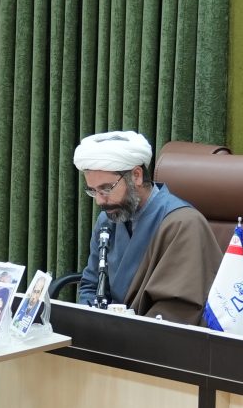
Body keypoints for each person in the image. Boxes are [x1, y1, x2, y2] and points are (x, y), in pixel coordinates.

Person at [73, 130, 219, 324]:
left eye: (106, 189)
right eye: (93, 191)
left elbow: (178, 309)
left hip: (156, 340)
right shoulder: (107, 220)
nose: (100, 200)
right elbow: (91, 285)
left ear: (136, 175)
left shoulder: (183, 224)